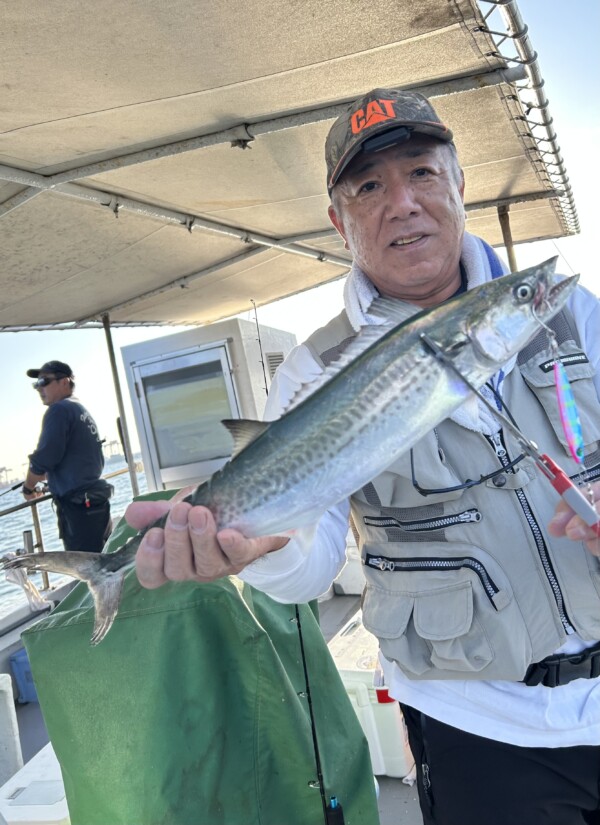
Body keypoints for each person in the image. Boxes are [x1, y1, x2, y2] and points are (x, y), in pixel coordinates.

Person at [127, 88, 600, 824]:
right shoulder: (312, 373)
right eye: (369, 187)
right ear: (338, 220)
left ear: (459, 183)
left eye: (421, 173)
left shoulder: (577, 314)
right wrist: (252, 550)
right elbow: (309, 570)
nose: (402, 203)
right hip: (477, 724)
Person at [24, 360, 113, 553]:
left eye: (44, 381)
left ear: (64, 382)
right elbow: (81, 459)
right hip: (95, 503)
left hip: (79, 510)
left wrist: (28, 488)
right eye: (36, 384)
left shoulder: (59, 410)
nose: (39, 388)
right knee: (103, 564)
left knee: (85, 569)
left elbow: (43, 459)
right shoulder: (79, 409)